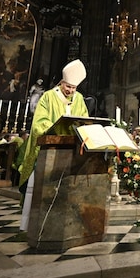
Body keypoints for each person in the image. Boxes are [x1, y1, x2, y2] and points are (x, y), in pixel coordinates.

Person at [18, 60, 89, 231]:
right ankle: (33, 226)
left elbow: (84, 119)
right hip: (48, 150)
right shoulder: (48, 96)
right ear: (62, 82)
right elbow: (38, 124)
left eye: (74, 88)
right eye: (68, 86)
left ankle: (65, 224)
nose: (70, 91)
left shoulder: (78, 99)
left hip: (70, 151)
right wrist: (55, 130)